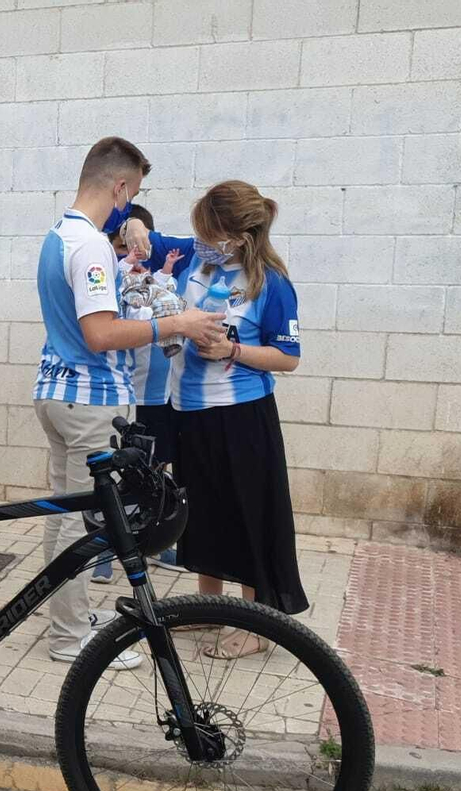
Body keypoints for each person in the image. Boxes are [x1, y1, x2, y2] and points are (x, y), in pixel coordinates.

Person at [31, 137, 225, 665]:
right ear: (119, 186)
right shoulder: (91, 244)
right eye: (132, 194)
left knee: (63, 514)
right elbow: (100, 334)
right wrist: (176, 322)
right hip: (88, 399)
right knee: (82, 521)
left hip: (58, 393)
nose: (128, 206)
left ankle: (67, 621)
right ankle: (70, 639)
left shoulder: (60, 234)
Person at [123, 180, 310, 658]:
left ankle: (254, 622)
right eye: (198, 232)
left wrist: (233, 349)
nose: (200, 240)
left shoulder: (270, 283)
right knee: (200, 512)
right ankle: (209, 607)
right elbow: (126, 230)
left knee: (246, 514)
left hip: (242, 416)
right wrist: (136, 223)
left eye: (210, 233)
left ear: (239, 238)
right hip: (189, 411)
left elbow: (288, 357)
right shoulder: (195, 259)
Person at [94, 204, 185, 584]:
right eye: (129, 243)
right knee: (112, 474)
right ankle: (102, 549)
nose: (136, 249)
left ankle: (156, 540)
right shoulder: (106, 275)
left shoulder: (159, 276)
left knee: (157, 469)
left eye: (143, 242)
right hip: (122, 397)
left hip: (159, 396)